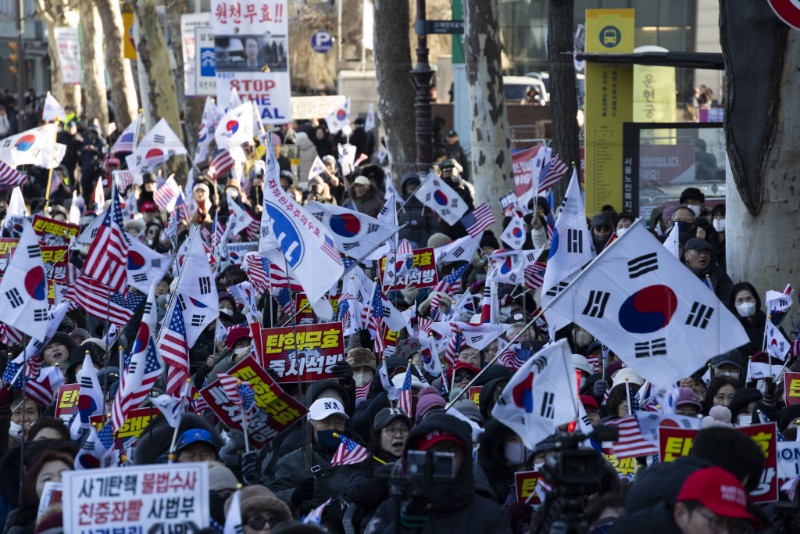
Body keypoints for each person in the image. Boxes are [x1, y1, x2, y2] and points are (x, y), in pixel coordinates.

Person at [366, 413, 511, 532]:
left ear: (465, 458)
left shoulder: (491, 515)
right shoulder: (392, 510)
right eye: (431, 452)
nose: (440, 459)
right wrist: (401, 528)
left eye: (449, 451)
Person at [271, 398, 357, 530]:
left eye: (338, 423)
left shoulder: (358, 455)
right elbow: (272, 499)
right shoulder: (291, 462)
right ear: (311, 426)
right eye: (326, 423)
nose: (333, 428)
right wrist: (294, 495)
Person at [682, 238, 734, 304]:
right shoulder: (679, 274)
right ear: (686, 256)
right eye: (698, 252)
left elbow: (728, 303)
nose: (703, 255)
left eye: (706, 252)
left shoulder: (720, 276)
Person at [397, 172, 437, 249]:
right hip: (402, 244)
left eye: (415, 184)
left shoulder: (426, 204)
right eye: (410, 184)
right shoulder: (398, 204)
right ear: (404, 187)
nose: (412, 187)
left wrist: (432, 241)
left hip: (422, 243)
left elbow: (433, 226)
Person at [727, 282, 767, 358]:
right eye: (740, 300)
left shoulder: (768, 321)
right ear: (733, 303)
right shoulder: (729, 327)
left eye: (749, 299)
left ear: (755, 299)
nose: (745, 303)